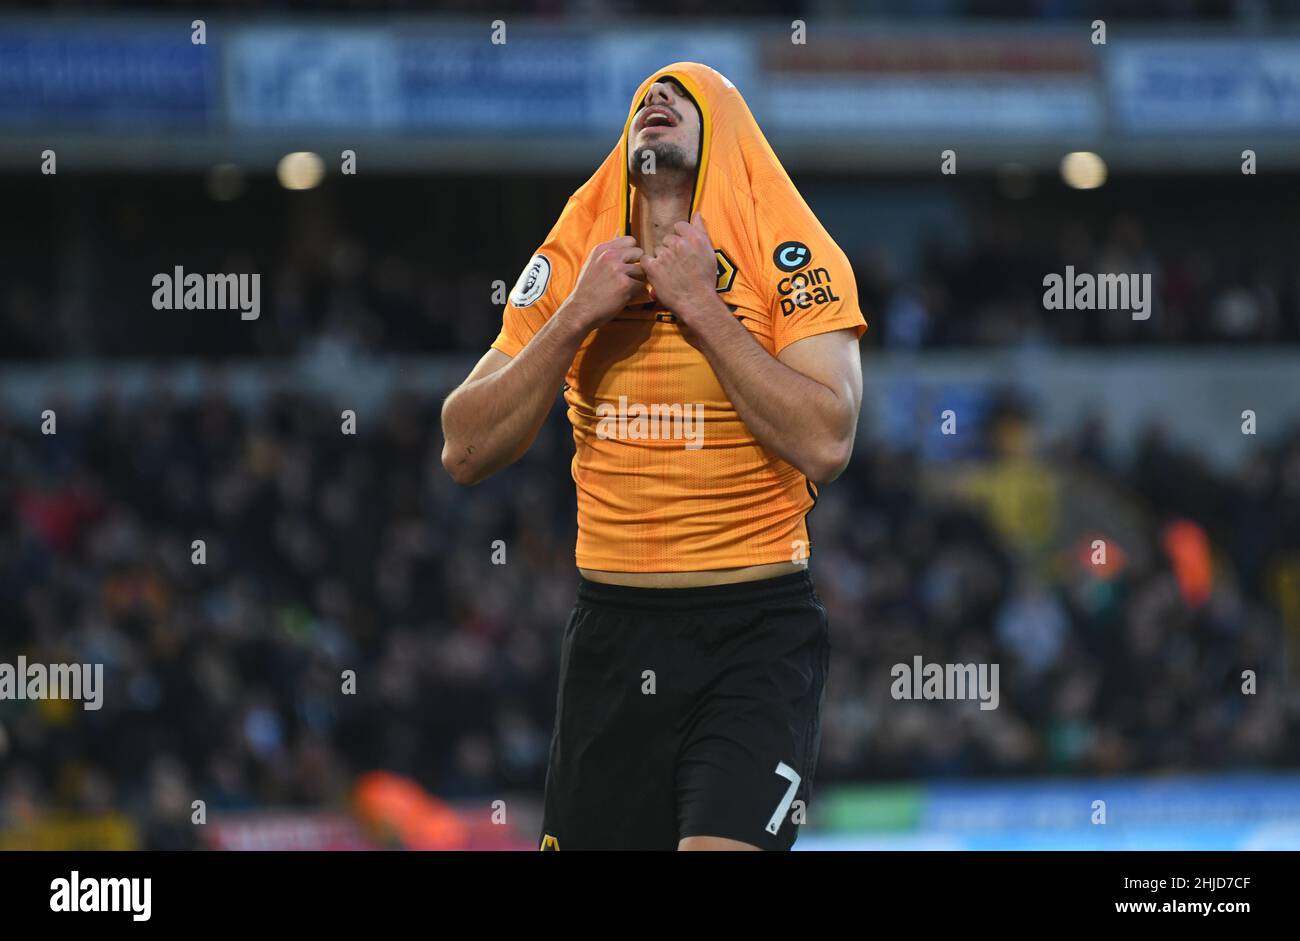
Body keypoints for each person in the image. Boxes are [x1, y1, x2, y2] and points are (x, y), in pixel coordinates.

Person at [441, 62, 866, 850]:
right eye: (644, 97)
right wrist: (574, 318)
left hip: (754, 635)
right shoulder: (578, 259)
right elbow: (463, 445)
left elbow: (828, 439)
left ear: (726, 138)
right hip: (613, 634)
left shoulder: (794, 256)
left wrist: (701, 306)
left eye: (681, 95)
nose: (657, 99)